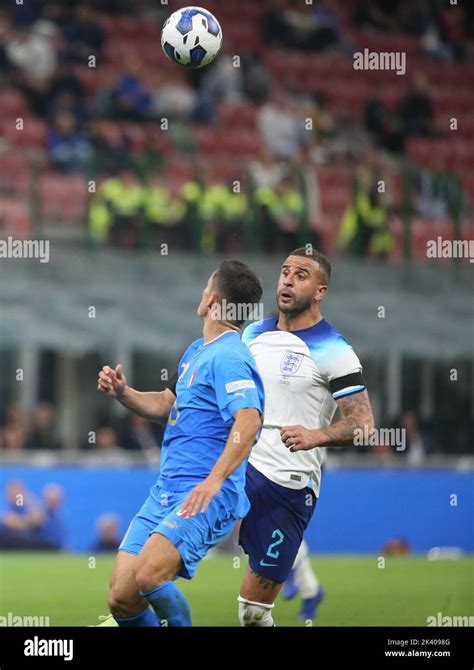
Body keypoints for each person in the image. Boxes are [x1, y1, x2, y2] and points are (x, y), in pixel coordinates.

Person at [96, 260, 264, 627]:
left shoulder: (230, 356)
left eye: (206, 287)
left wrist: (215, 480)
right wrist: (123, 393)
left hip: (204, 493)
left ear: (213, 299)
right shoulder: (197, 351)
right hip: (166, 492)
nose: (201, 293)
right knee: (121, 598)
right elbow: (167, 404)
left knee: (150, 575)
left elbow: (249, 420)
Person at [237, 247, 374, 626]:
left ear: (320, 291)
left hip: (289, 483)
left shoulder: (335, 351)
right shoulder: (254, 333)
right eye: (284, 272)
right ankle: (128, 604)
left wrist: (317, 435)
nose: (287, 280)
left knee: (252, 613)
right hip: (241, 467)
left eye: (301, 275)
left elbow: (363, 425)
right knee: (176, 539)